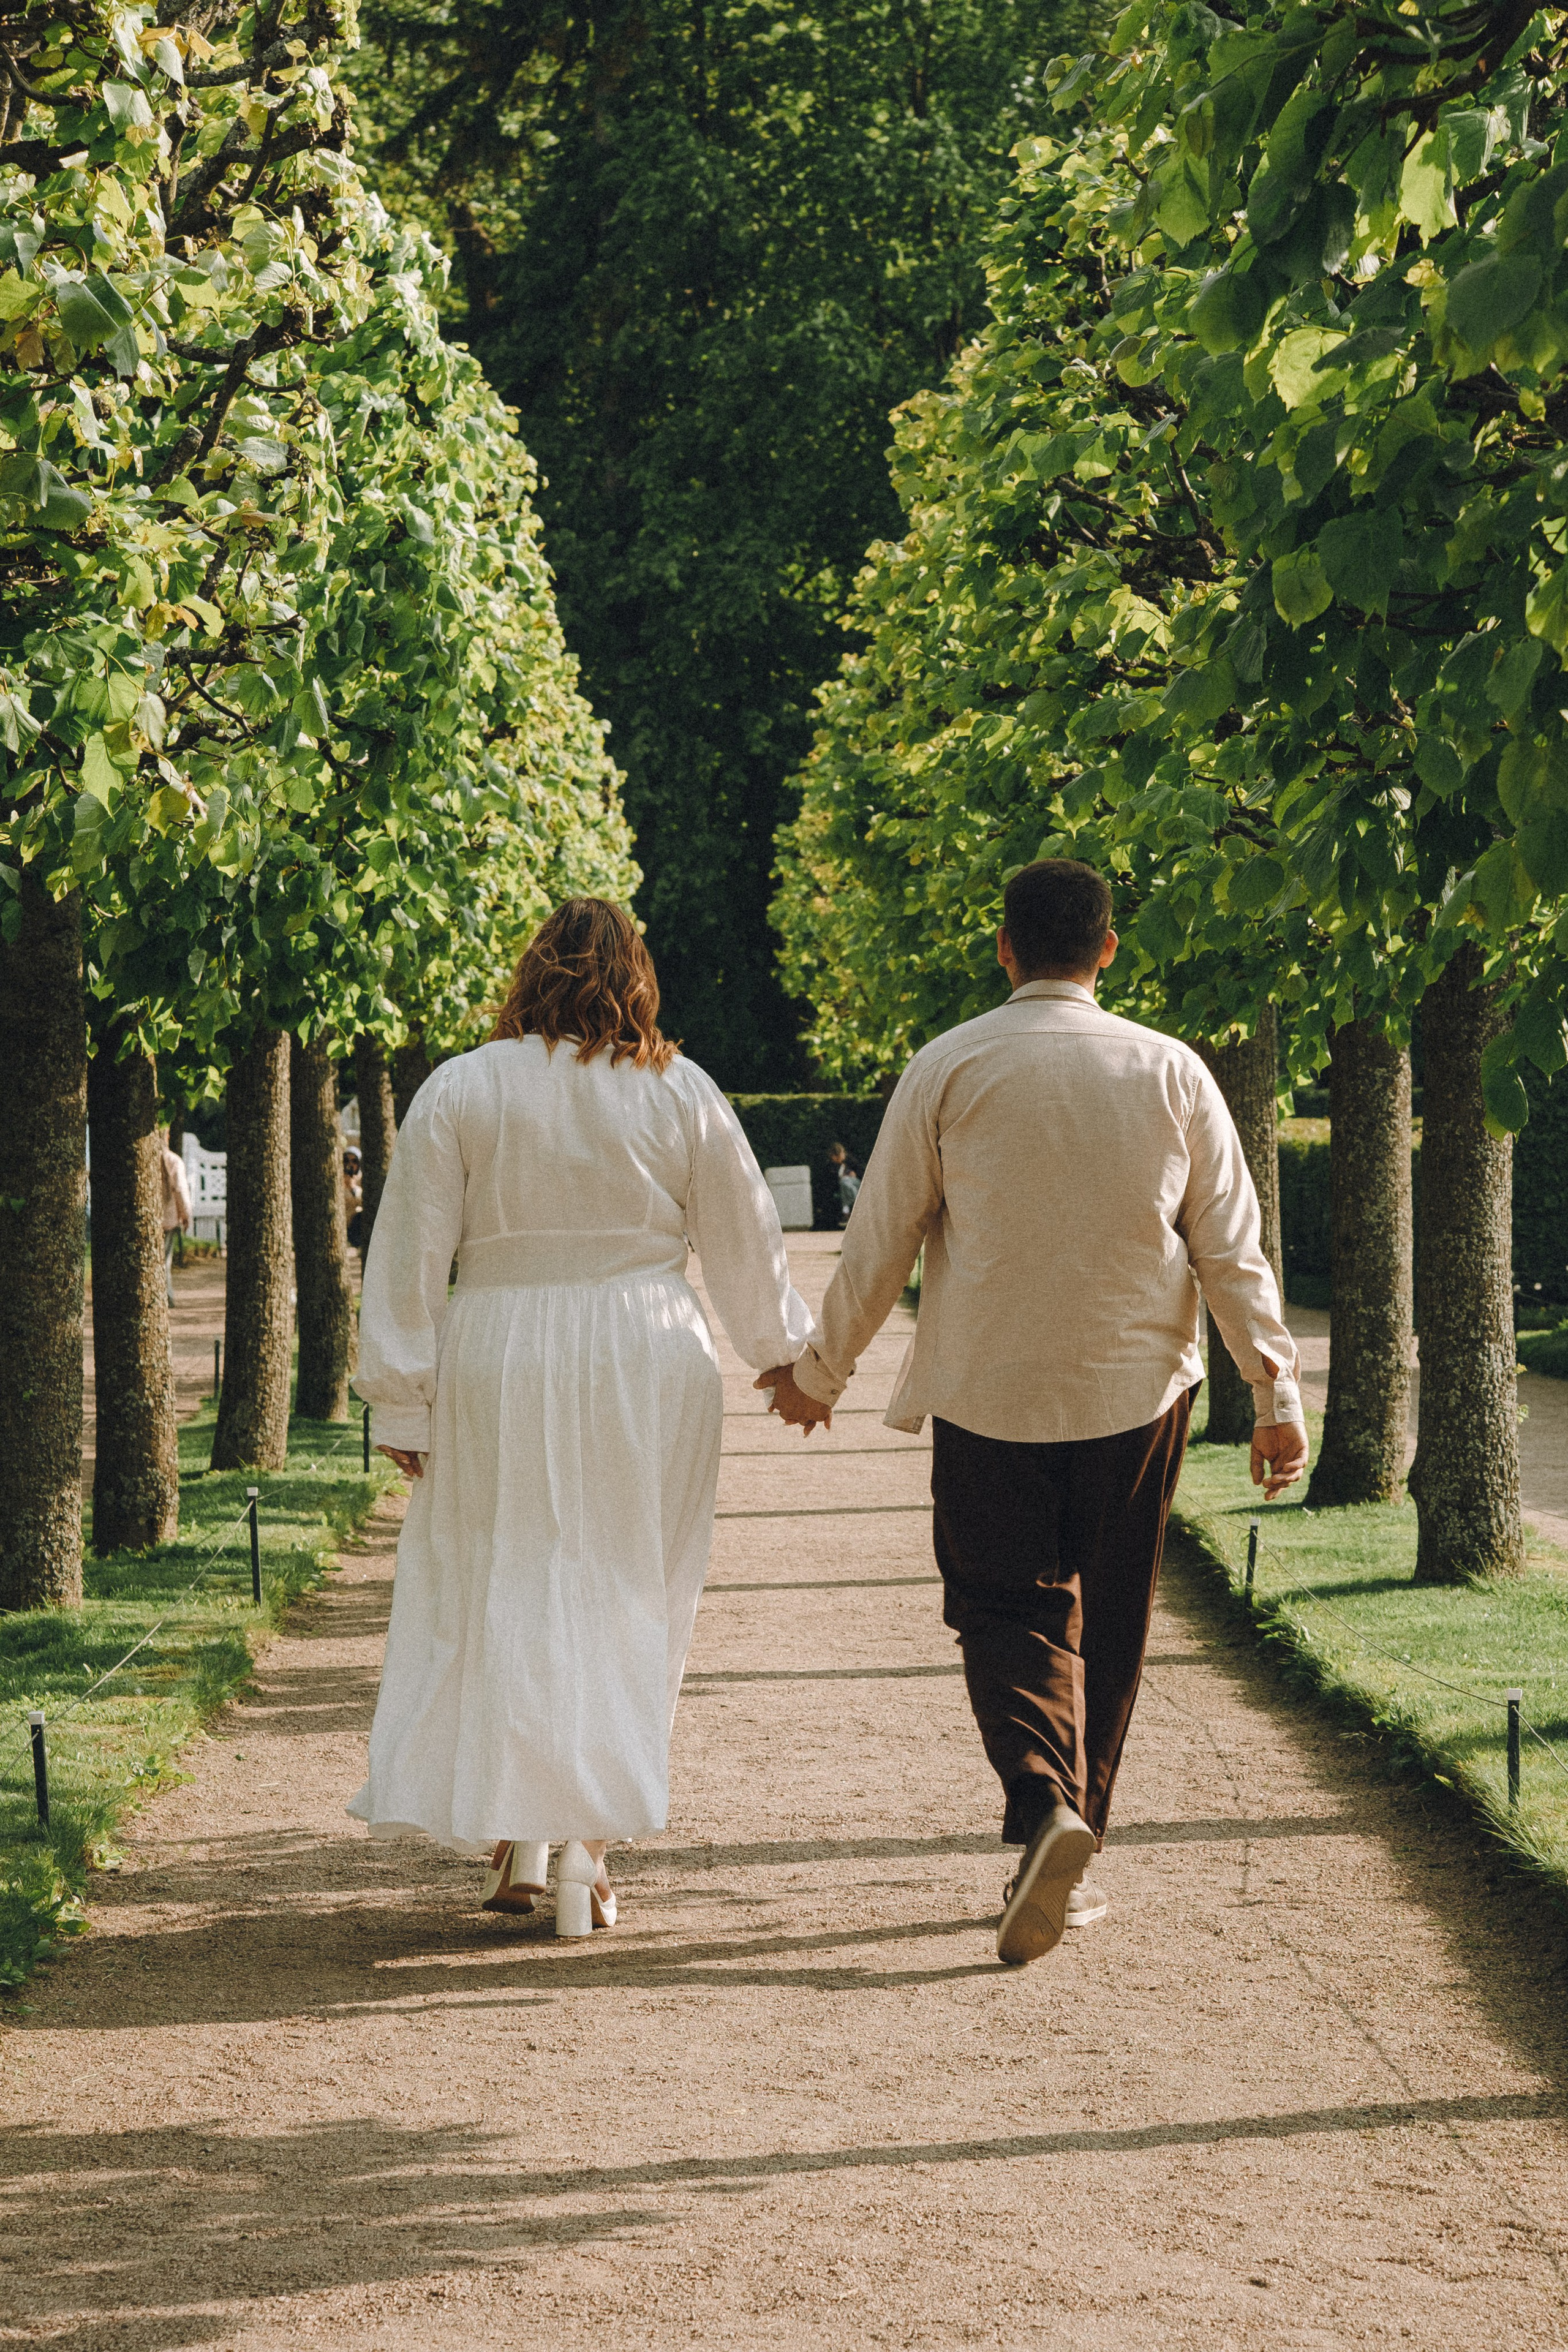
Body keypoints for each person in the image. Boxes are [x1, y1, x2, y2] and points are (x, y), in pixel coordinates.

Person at [760, 860, 1308, 1967]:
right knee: (1112, 1620)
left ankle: (1041, 1799)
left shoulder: (949, 1065)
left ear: (1004, 950)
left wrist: (823, 1371)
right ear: (1109, 949)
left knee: (1005, 1609)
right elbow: (1228, 1247)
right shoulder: (1173, 1072)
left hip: (988, 1390)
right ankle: (1072, 1831)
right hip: (1134, 1390)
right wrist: (1274, 1392)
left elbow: (883, 1237)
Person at [348, 898, 811, 1936]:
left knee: (506, 1576)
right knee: (633, 1587)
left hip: (500, 1349)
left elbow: (412, 1251)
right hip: (646, 1345)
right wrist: (785, 1359)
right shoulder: (680, 1091)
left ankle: (523, 1834)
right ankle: (585, 1849)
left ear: (529, 975)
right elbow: (745, 1236)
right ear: (638, 977)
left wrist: (402, 1394)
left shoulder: (463, 1087)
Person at [159, 1129, 192, 1306]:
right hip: (168, 1219)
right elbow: (181, 1190)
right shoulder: (173, 1160)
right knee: (165, 1259)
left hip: (155, 1218)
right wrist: (185, 1214)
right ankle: (167, 1295)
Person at [826, 1141, 861, 1226]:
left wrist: (853, 1174)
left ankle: (847, 1213)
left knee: (844, 1183)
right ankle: (855, 1204)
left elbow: (860, 1171)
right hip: (845, 1188)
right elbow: (832, 1181)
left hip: (855, 1183)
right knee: (844, 1186)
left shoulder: (850, 1161)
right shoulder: (831, 1166)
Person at [342, 1147, 364, 1253]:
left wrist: (353, 1189)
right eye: (346, 1161)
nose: (350, 1164)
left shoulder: (362, 1180)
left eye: (354, 1161)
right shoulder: (337, 1179)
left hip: (356, 1224)